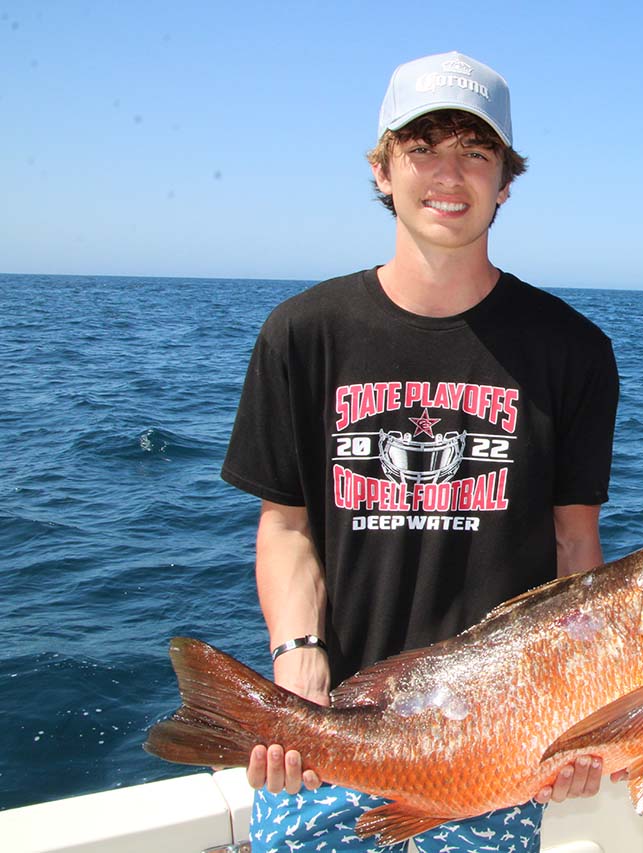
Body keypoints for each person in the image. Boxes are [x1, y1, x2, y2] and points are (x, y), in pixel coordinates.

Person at [220, 51, 620, 852]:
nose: (450, 173)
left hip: (495, 749)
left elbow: (575, 544)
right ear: (381, 170)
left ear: (506, 180)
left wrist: (587, 711)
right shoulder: (303, 333)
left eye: (476, 151)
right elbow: (288, 526)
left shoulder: (573, 351)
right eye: (422, 146)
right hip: (333, 725)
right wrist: (296, 656)